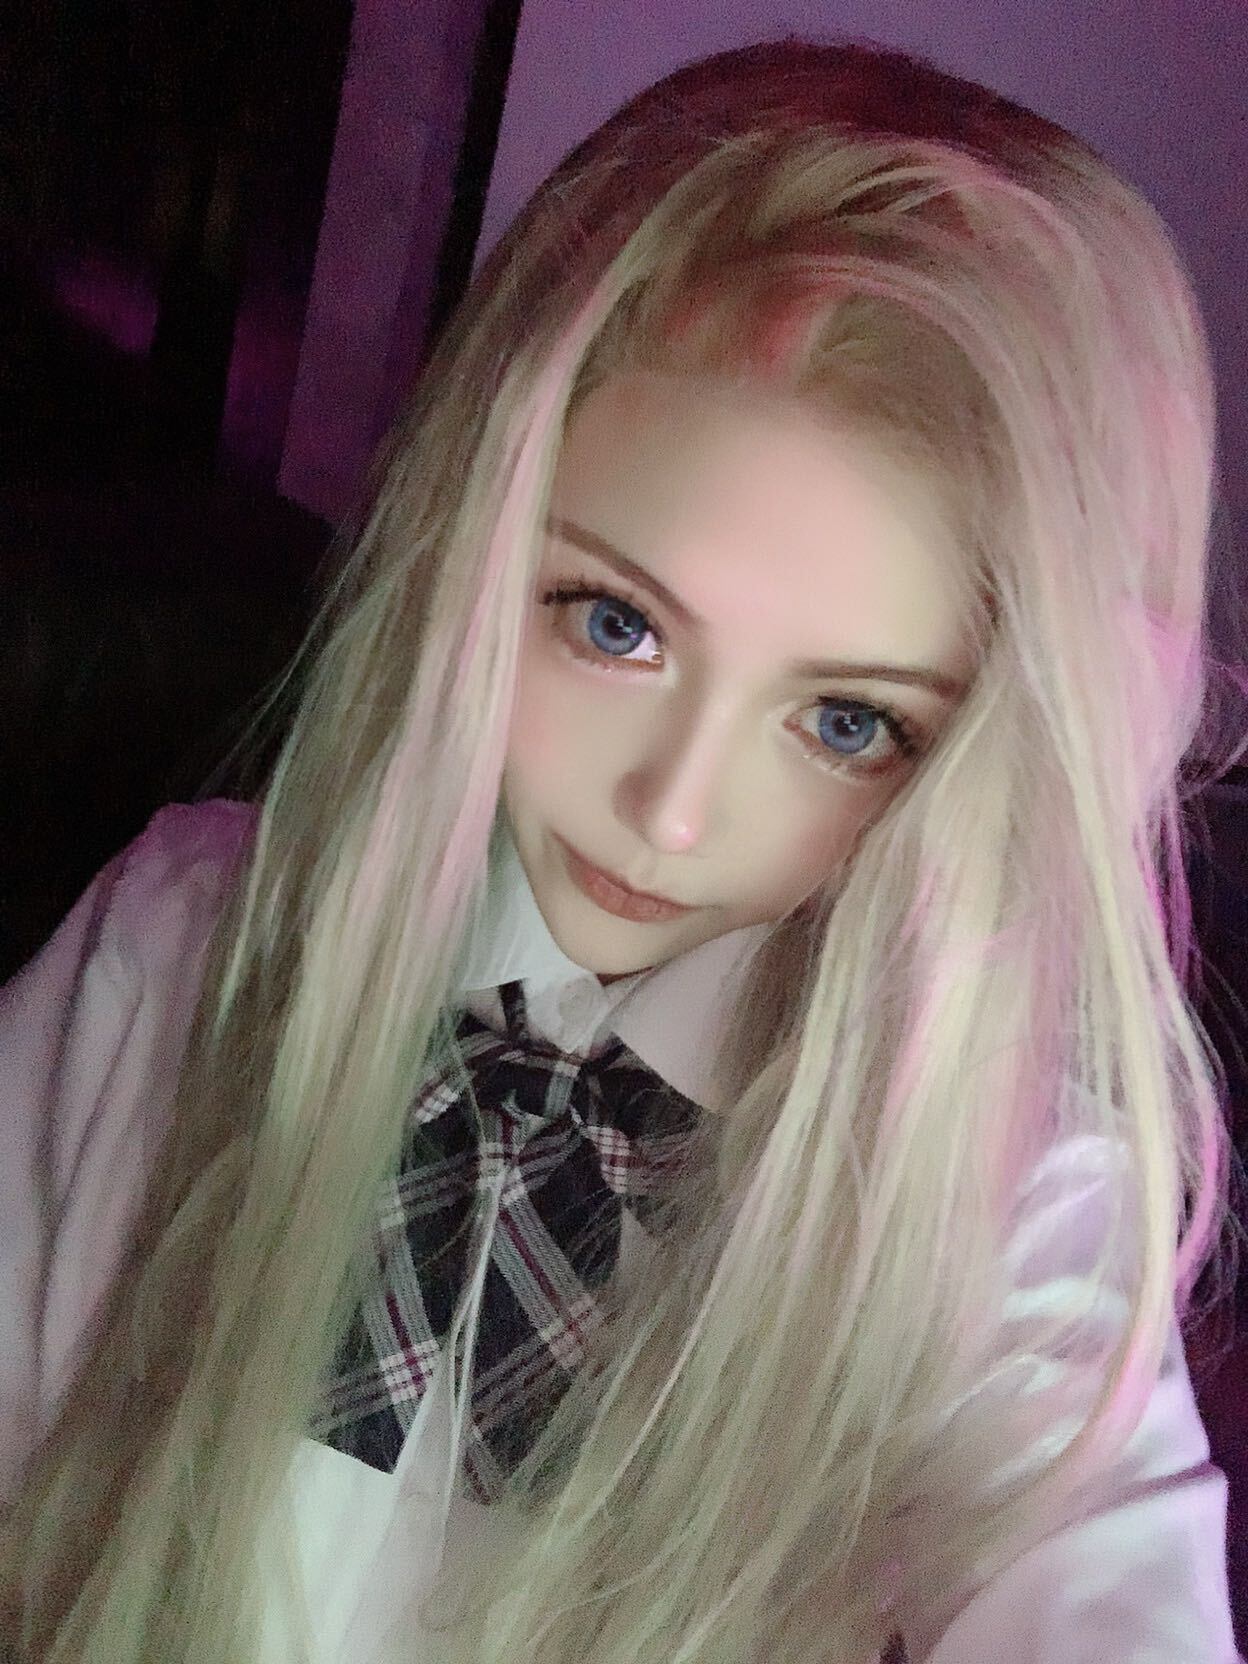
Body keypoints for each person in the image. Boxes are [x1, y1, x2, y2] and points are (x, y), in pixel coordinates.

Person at [1, 33, 1245, 1664]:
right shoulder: (178, 947)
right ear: (471, 545)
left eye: (849, 723)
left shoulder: (987, 1196)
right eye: (613, 624)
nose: (672, 811)